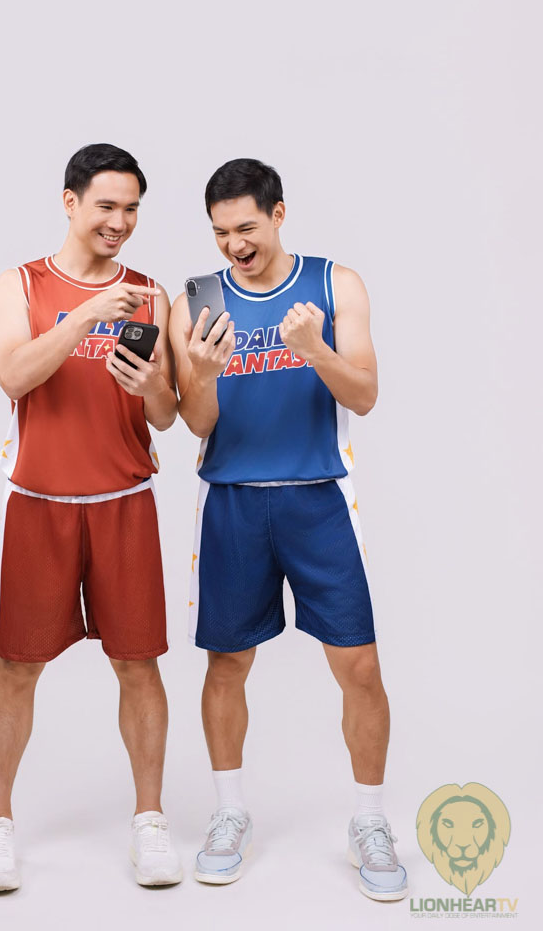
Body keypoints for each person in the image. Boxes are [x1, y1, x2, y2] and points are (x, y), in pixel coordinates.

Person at [168, 158, 407, 901]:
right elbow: (195, 423)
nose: (234, 245)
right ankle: (229, 813)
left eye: (246, 227)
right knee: (226, 664)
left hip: (318, 498)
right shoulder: (198, 301)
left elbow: (364, 395)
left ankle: (370, 821)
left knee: (359, 666)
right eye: (220, 233)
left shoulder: (336, 285)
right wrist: (202, 373)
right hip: (233, 501)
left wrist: (316, 350)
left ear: (278, 213)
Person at [0, 144, 182, 892]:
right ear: (70, 203)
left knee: (139, 664)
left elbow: (167, 415)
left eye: (131, 209)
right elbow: (14, 374)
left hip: (124, 503)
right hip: (41, 504)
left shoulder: (152, 295)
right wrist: (87, 313)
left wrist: (153, 383)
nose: (119, 222)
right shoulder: (20, 283)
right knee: (17, 667)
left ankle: (150, 821)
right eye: (106, 206)